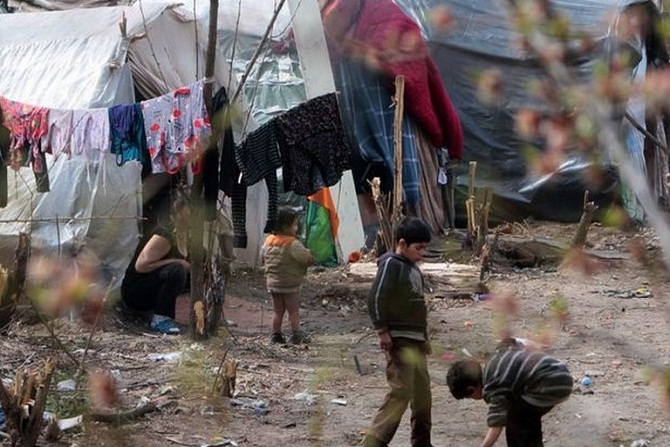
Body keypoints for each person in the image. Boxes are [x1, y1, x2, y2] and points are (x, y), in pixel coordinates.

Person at [363, 217, 434, 447]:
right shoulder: (391, 264)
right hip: (399, 340)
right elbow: (376, 298)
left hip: (415, 341)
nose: (422, 253)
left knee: (422, 394)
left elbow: (418, 309)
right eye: (418, 248)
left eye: (424, 248)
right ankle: (374, 441)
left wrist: (424, 338)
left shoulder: (412, 268)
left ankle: (422, 442)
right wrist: (382, 331)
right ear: (402, 244)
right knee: (401, 391)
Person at [446, 338, 574, 447]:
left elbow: (496, 424)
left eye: (469, 397)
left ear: (471, 389)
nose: (473, 399)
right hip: (559, 371)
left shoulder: (493, 385)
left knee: (515, 419)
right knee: (525, 417)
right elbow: (514, 341)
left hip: (550, 383)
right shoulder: (495, 356)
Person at [121, 194, 191, 334]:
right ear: (173, 216)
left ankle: (203, 311)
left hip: (153, 290)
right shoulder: (165, 234)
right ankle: (161, 318)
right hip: (137, 292)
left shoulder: (187, 235)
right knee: (177, 270)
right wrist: (177, 261)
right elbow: (141, 266)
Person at [260, 207, 314, 344]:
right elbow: (307, 259)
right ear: (286, 227)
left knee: (277, 311)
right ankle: (296, 334)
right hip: (290, 284)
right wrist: (310, 255)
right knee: (293, 311)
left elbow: (262, 257)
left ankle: (276, 335)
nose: (296, 228)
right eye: (295, 225)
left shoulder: (268, 240)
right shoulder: (292, 244)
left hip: (273, 283)